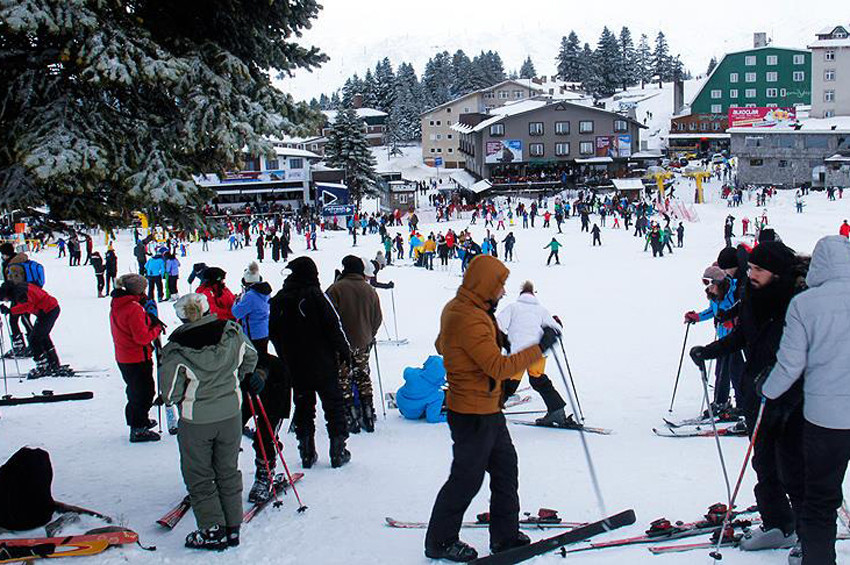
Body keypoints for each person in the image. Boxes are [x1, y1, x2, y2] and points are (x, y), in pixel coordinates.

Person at [425, 255, 558, 562]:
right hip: (472, 413)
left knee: (505, 468)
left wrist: (498, 337)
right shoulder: (468, 316)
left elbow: (443, 344)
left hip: (486, 408)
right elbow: (498, 368)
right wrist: (538, 349)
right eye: (499, 285)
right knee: (466, 478)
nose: (502, 291)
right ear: (485, 284)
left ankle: (504, 536)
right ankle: (440, 541)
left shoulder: (465, 307)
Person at [690, 241, 808, 551]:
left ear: (777, 273)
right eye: (751, 267)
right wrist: (710, 351)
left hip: (792, 401)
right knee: (764, 463)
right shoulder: (752, 297)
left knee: (792, 467)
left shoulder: (798, 304)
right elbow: (743, 335)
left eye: (759, 269)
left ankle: (811, 538)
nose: (751, 274)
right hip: (758, 394)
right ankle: (779, 525)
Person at [759, 236, 850, 565]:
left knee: (820, 500)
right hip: (829, 416)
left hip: (826, 421)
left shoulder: (806, 304)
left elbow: (790, 365)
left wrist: (767, 391)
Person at [159, 293, 259, 550]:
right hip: (230, 413)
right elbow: (251, 356)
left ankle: (213, 529)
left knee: (199, 475)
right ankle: (233, 525)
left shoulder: (176, 349)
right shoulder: (231, 333)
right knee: (227, 468)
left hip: (197, 420)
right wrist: (237, 377)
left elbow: (170, 394)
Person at [269, 257, 351, 469]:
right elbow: (334, 326)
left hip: (295, 365)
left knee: (304, 406)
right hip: (323, 363)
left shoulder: (279, 300)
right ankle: (337, 450)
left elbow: (273, 332)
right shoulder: (317, 297)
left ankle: (306, 451)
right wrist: (344, 352)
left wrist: (284, 355)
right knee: (334, 405)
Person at [497, 281, 571, 427]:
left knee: (508, 384)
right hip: (537, 353)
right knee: (539, 380)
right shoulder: (542, 310)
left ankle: (488, 413)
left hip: (518, 354)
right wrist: (556, 322)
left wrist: (505, 342)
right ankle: (557, 412)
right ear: (533, 295)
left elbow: (497, 326)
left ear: (521, 295)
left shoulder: (513, 307)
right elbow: (556, 329)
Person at [326, 256, 383, 434]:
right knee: (363, 378)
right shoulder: (370, 290)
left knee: (344, 380)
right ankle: (368, 415)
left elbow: (328, 318)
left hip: (341, 344)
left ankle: (350, 418)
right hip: (363, 342)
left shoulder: (335, 289)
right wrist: (369, 335)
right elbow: (377, 318)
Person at [109, 274, 164, 442]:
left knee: (135, 390)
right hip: (136, 356)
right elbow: (141, 337)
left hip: (125, 355)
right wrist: (156, 328)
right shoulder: (132, 308)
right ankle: (138, 428)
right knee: (144, 392)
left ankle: (138, 420)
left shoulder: (119, 303)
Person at [684, 265, 744, 414]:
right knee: (721, 372)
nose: (708, 290)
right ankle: (720, 402)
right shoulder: (715, 295)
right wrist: (697, 317)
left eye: (710, 286)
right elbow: (713, 311)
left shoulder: (735, 292)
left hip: (736, 340)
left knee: (736, 372)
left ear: (719, 283)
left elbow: (744, 311)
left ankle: (743, 405)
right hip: (723, 338)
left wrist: (735, 320)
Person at [0, 280, 61, 379]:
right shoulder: (20, 287)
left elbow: (27, 305)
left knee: (34, 339)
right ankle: (53, 362)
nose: (6, 301)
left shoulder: (20, 293)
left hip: (48, 311)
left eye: (5, 298)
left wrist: (10, 311)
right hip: (48, 309)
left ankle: (43, 365)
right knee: (42, 337)